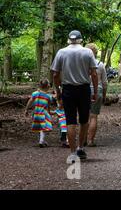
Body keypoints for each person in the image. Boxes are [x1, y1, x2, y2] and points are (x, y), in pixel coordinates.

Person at [50, 30, 98, 164]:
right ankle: (80, 148)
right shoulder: (87, 52)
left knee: (70, 121)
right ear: (80, 40)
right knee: (84, 120)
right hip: (83, 89)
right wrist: (95, 91)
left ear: (69, 40)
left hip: (68, 90)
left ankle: (72, 153)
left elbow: (55, 74)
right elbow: (94, 73)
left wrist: (58, 91)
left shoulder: (61, 52)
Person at [84, 43, 108, 147]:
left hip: (83, 90)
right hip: (97, 90)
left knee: (83, 117)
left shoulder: (82, 64)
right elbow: (104, 82)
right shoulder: (100, 64)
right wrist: (104, 94)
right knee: (93, 117)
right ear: (96, 53)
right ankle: (90, 141)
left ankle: (82, 140)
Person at [24, 79, 53, 147]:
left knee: (39, 127)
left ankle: (41, 140)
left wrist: (26, 109)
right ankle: (41, 141)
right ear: (48, 86)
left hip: (36, 114)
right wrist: (49, 113)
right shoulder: (48, 96)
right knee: (44, 127)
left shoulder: (35, 93)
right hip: (43, 114)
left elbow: (30, 101)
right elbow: (48, 106)